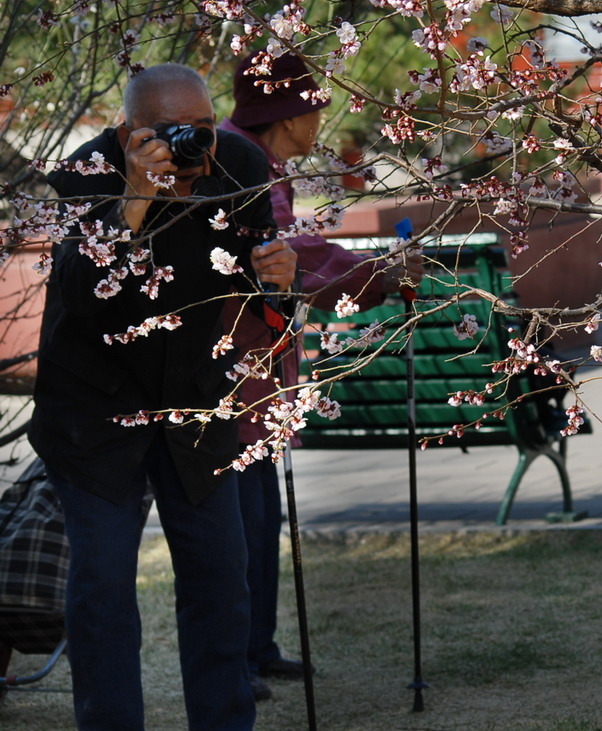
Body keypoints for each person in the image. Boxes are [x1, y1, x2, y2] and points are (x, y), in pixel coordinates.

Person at [29, 63, 297, 730]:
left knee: (220, 577)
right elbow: (84, 300)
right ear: (126, 134)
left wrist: (281, 283)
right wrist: (134, 203)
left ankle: (226, 719)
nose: (190, 149)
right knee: (104, 586)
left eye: (202, 130)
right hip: (94, 410)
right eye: (171, 134)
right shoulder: (82, 178)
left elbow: (268, 309)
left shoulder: (237, 165)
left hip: (196, 398)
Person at [220, 51, 424, 700]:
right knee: (241, 524)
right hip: (233, 375)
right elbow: (291, 254)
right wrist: (377, 275)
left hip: (260, 372)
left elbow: (296, 247)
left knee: (261, 518)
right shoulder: (239, 160)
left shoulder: (261, 163)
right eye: (312, 103)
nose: (320, 115)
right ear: (287, 113)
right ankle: (235, 658)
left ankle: (256, 646)